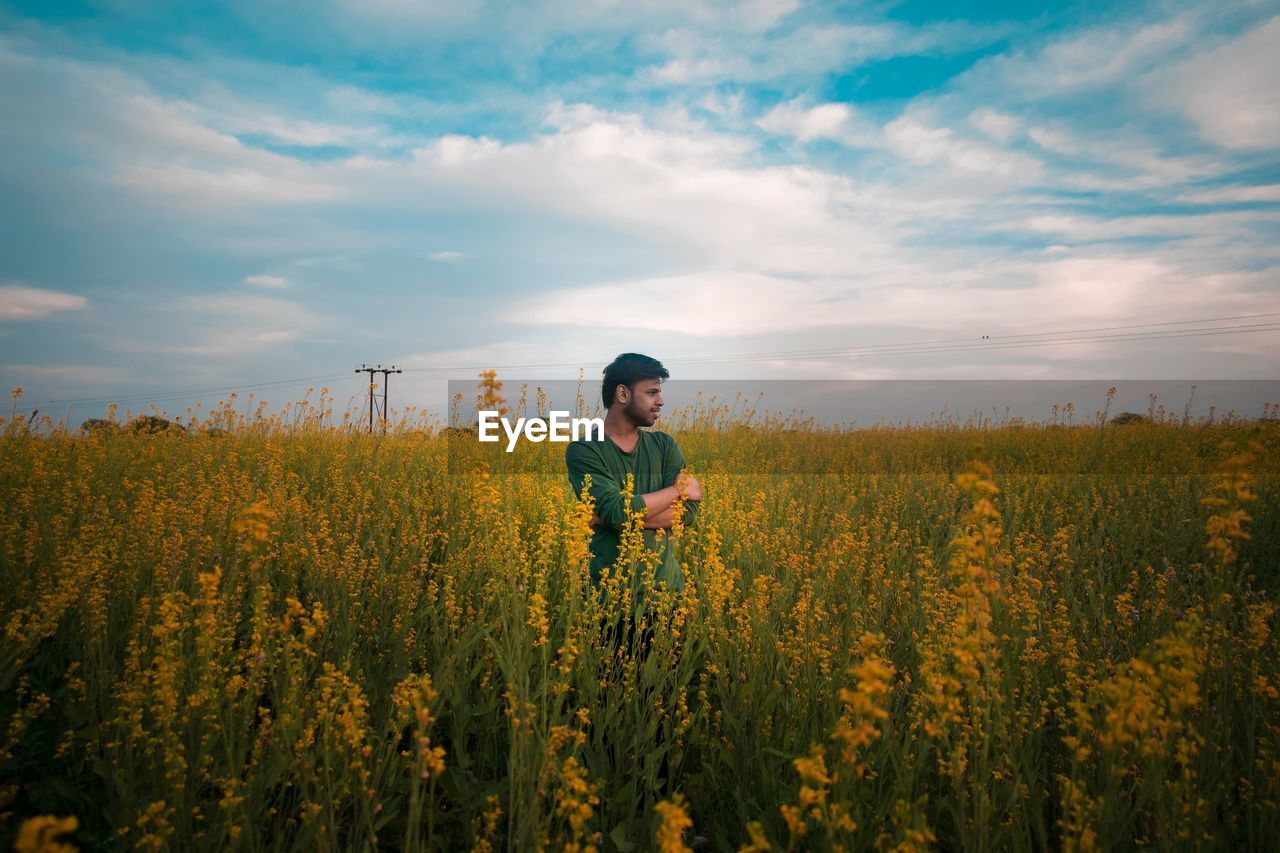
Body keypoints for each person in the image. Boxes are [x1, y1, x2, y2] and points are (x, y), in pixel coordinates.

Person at [565, 353, 701, 590]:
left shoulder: (664, 445)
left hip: (667, 597)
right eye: (651, 392)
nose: (660, 401)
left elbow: (688, 512)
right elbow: (617, 511)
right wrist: (678, 489)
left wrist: (607, 520)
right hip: (609, 600)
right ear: (623, 394)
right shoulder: (584, 451)